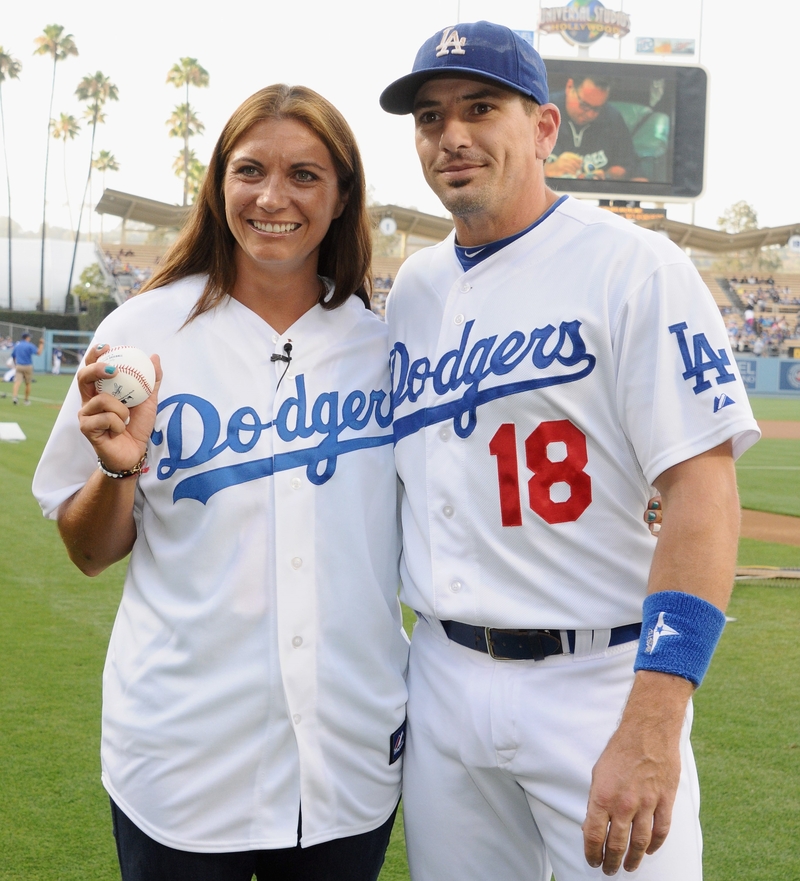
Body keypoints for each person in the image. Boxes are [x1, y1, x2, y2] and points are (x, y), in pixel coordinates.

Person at [379, 21, 759, 881]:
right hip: (442, 672)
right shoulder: (415, 290)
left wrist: (656, 718)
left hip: (599, 680)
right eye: (431, 118)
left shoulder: (633, 266)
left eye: (481, 108)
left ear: (545, 128)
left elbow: (704, 492)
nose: (454, 136)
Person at [32, 84, 408, 881]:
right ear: (219, 185)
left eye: (306, 175)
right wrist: (118, 468)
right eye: (251, 170)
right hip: (182, 756)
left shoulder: (383, 345)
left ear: (342, 197)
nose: (274, 197)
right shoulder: (139, 332)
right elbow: (88, 549)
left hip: (347, 758)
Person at [545, 74, 639, 181]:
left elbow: (627, 166)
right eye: (584, 105)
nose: (590, 115)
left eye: (597, 109)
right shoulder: (542, 111)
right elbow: (522, 167)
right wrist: (548, 169)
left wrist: (605, 176)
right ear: (569, 87)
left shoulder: (613, 118)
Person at [11, 332, 44, 405]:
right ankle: (26, 400)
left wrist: (15, 364)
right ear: (27, 338)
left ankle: (15, 397)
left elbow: (13, 356)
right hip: (27, 366)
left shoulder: (17, 345)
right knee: (28, 383)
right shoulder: (29, 345)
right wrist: (41, 344)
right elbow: (39, 353)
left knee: (17, 382)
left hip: (19, 365)